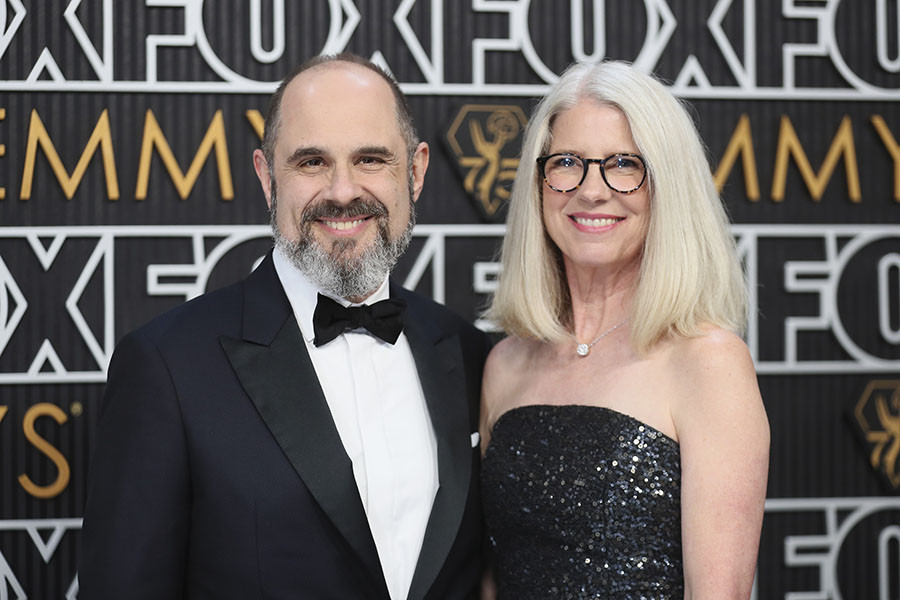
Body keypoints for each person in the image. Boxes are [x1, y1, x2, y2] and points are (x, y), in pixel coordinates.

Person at [79, 54, 491, 600]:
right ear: (267, 177)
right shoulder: (166, 369)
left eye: (370, 159)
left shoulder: (469, 354)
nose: (343, 191)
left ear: (414, 173)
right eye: (312, 162)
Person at [479, 61, 769, 599]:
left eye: (623, 164)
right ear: (538, 182)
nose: (592, 191)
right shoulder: (506, 365)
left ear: (665, 186)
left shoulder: (709, 363)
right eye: (567, 163)